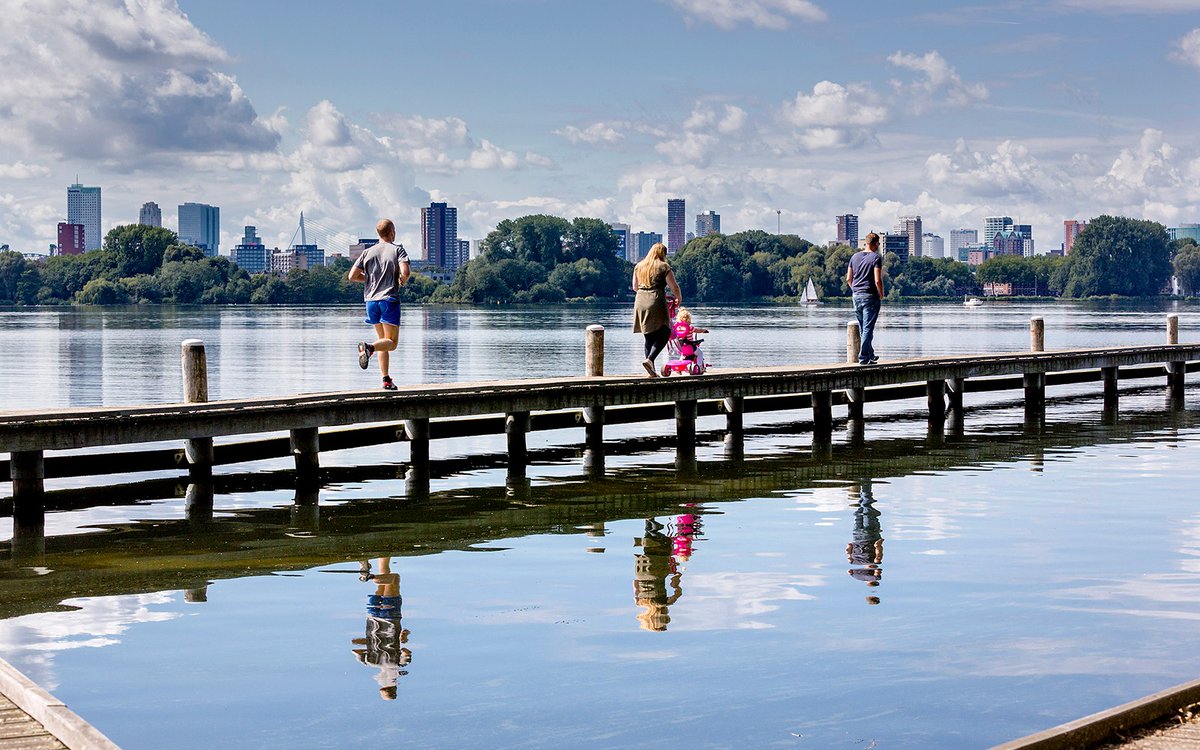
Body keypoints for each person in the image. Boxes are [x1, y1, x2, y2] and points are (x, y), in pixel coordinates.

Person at [348, 219, 411, 390]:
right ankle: (368, 348)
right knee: (392, 343)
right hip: (389, 300)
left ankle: (386, 380)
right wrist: (401, 279)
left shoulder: (367, 252)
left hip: (371, 301)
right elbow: (406, 272)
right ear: (392, 232)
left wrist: (370, 279)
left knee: (383, 341)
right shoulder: (397, 250)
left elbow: (352, 276)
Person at [352, 558, 412, 700]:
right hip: (372, 620)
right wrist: (370, 642)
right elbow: (354, 647)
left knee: (393, 579)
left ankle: (368, 576)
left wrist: (404, 637)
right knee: (384, 576)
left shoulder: (399, 665)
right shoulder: (369, 662)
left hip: (391, 617)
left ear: (395, 687)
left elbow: (405, 650)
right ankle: (382, 556)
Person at [632, 242, 682, 377]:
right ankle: (650, 359)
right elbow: (674, 287)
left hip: (640, 300)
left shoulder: (639, 266)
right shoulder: (664, 267)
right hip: (656, 299)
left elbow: (635, 287)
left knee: (648, 336)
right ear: (662, 254)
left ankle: (651, 370)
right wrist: (678, 298)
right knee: (666, 331)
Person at [846, 232, 885, 365]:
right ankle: (863, 358)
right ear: (875, 244)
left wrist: (856, 290)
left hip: (856, 296)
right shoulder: (876, 258)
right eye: (878, 243)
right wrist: (881, 294)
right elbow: (877, 280)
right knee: (868, 329)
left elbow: (848, 279)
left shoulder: (854, 257)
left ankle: (870, 355)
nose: (878, 246)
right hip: (870, 296)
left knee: (864, 327)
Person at [672, 307, 709, 371]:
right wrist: (704, 330)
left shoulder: (676, 327)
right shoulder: (689, 328)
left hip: (681, 348)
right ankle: (700, 366)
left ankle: (679, 367)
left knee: (683, 355)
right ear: (688, 319)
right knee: (700, 353)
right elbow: (698, 330)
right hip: (690, 347)